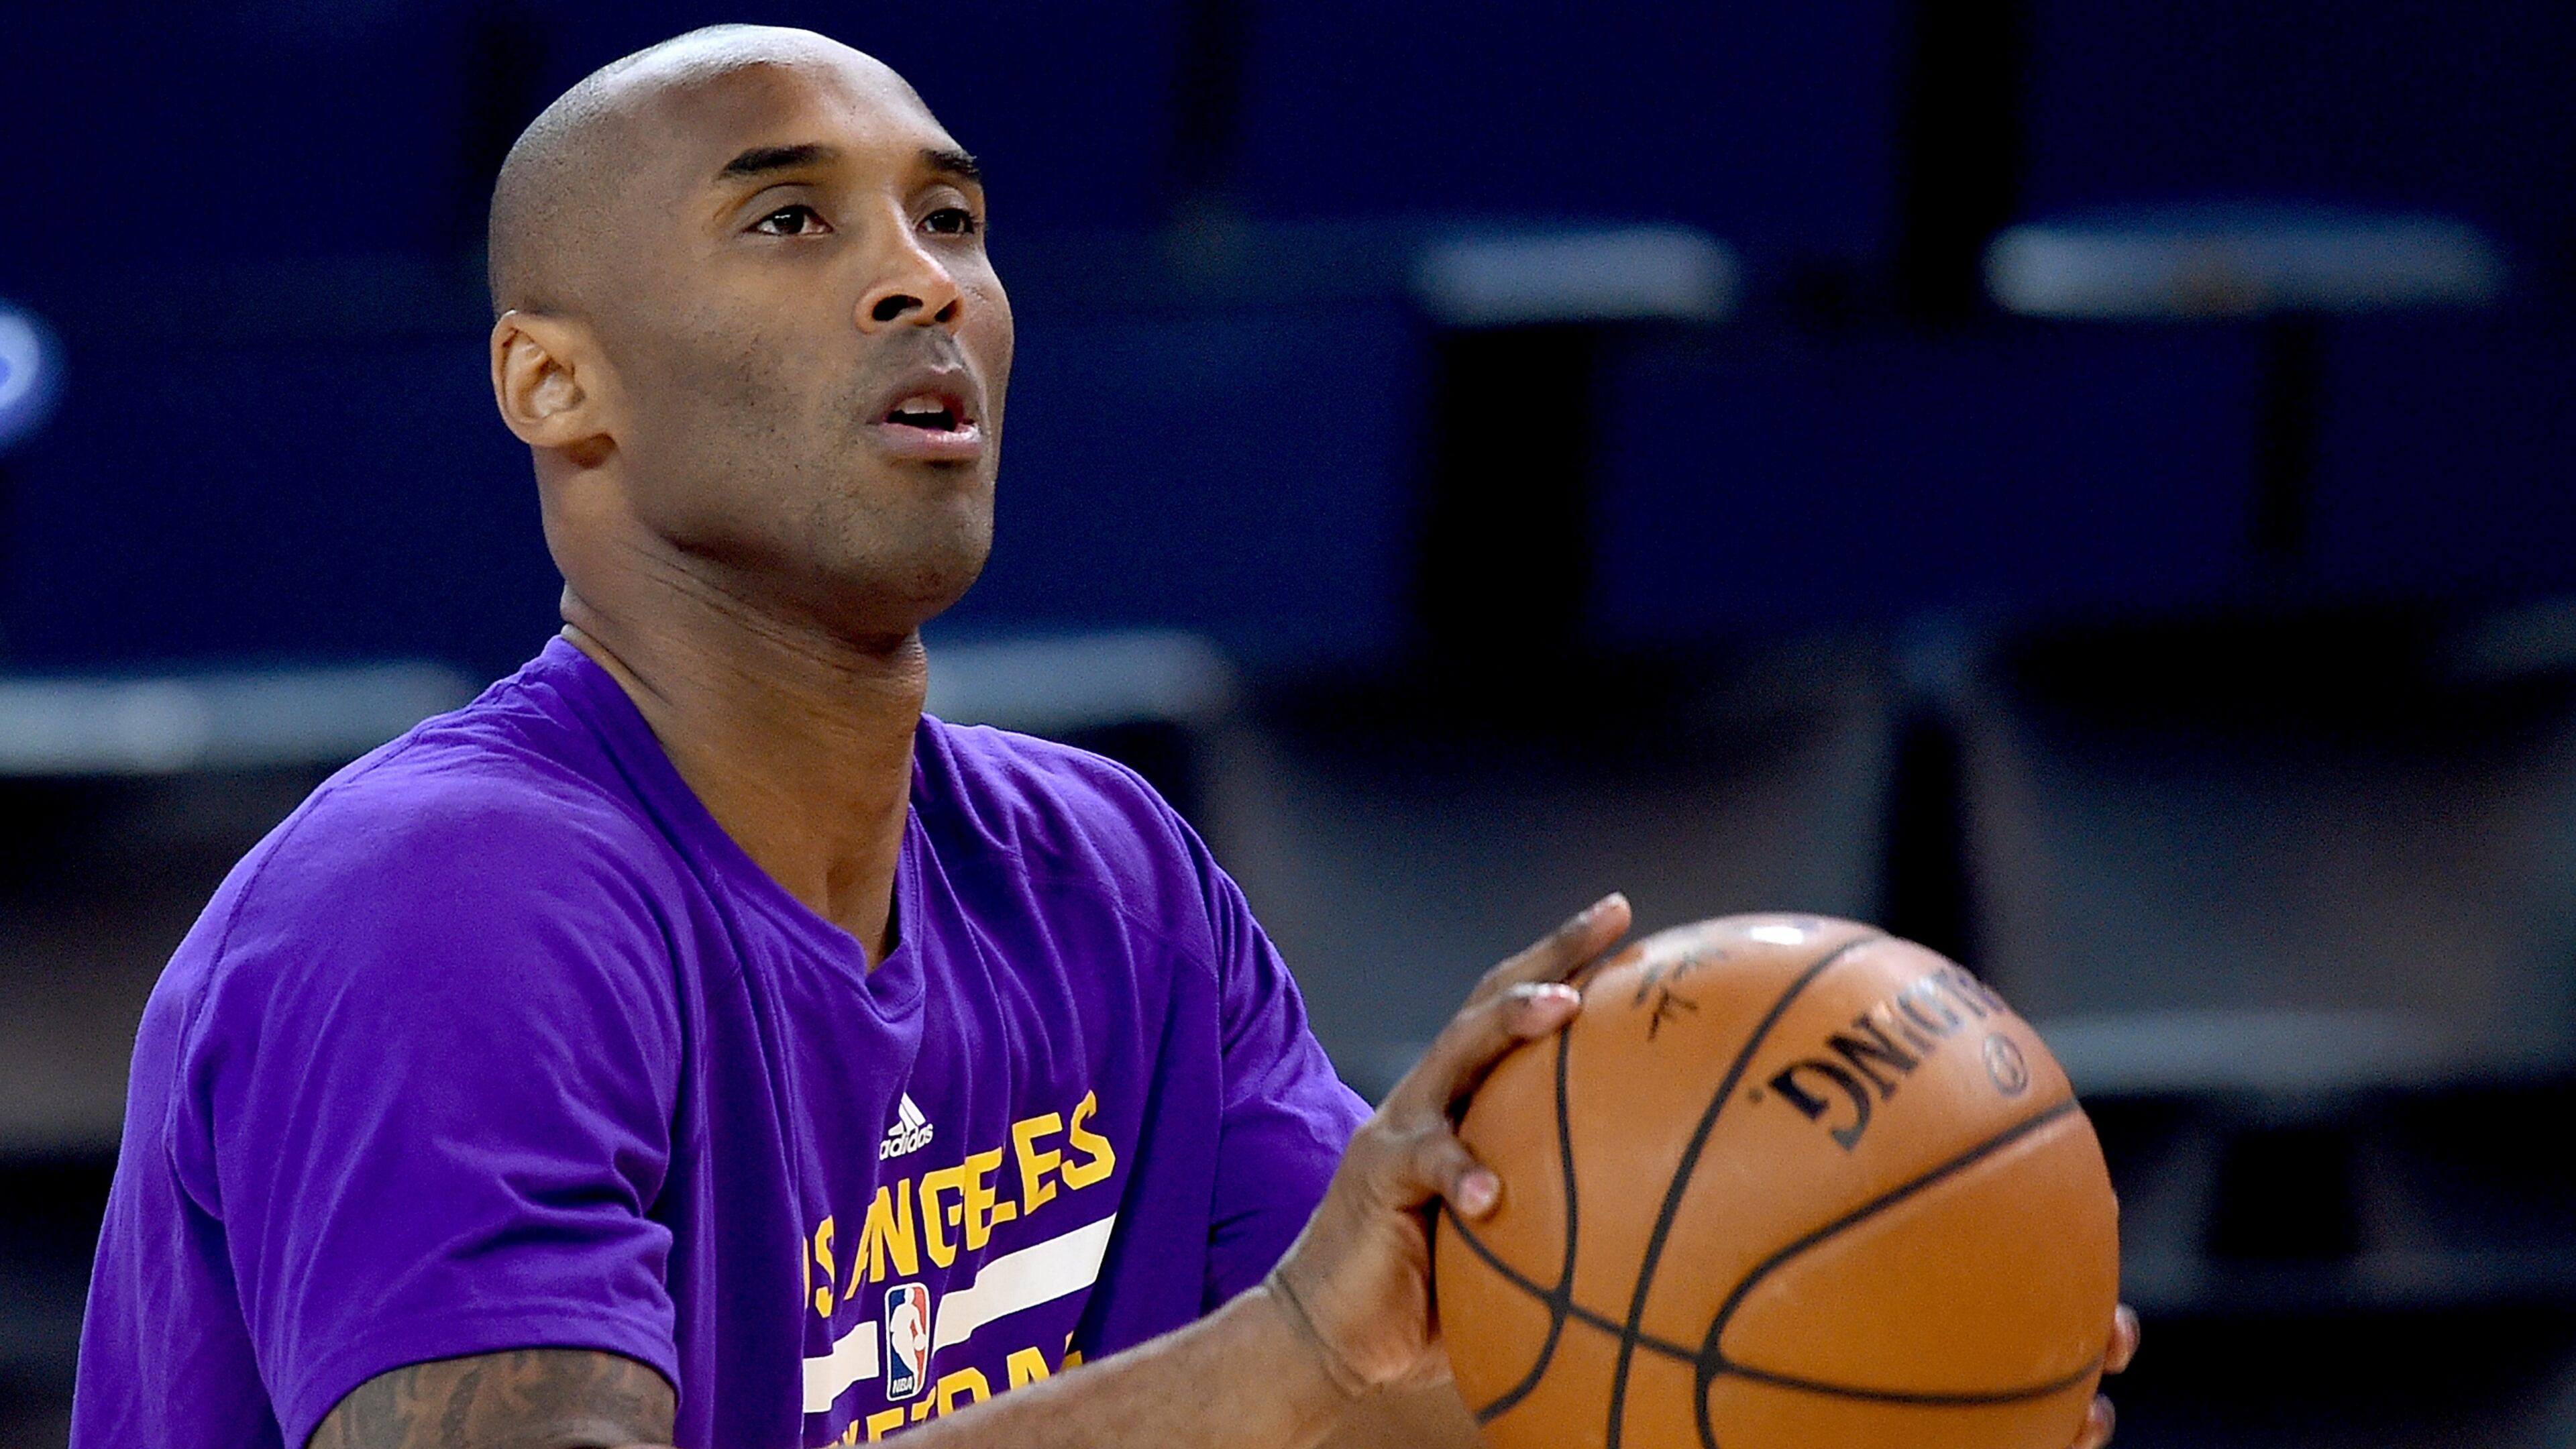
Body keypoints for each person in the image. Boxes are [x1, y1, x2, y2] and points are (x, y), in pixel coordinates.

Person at [70, 25, 2136, 1449]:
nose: (919, 283)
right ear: (554, 385)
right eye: (790, 222)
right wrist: (1289, 1359)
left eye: (953, 221)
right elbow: (1289, 1371)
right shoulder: (447, 905)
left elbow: (1417, 1392)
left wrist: (1922, 1342)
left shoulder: (1105, 879)